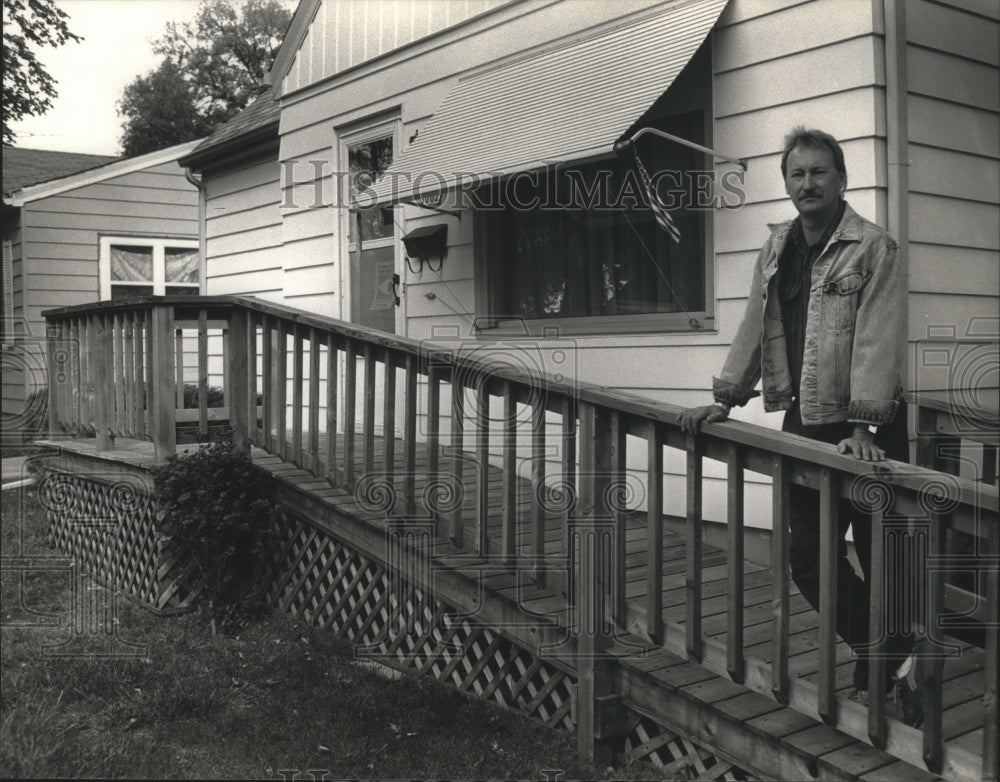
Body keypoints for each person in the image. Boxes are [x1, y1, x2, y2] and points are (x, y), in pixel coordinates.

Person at [679, 127, 922, 725]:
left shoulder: (874, 248)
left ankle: (880, 677)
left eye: (819, 172)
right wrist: (729, 398)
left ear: (841, 180)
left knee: (876, 550)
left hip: (870, 426)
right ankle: (888, 650)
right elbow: (756, 325)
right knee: (809, 557)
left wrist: (865, 426)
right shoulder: (778, 247)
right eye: (797, 174)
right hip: (805, 422)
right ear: (786, 182)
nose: (807, 183)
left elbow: (878, 340)